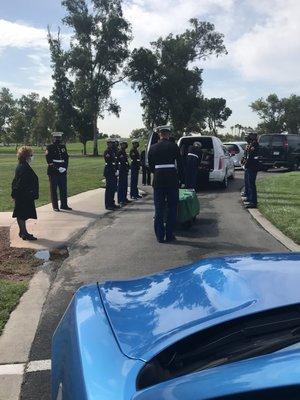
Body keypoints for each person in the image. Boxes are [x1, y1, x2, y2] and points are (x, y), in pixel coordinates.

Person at [148, 126, 183, 243]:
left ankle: (159, 236)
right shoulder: (174, 146)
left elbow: (150, 166)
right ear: (168, 134)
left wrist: (157, 172)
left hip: (158, 180)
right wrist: (181, 179)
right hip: (172, 179)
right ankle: (169, 234)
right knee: (172, 208)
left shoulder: (152, 148)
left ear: (159, 134)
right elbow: (180, 163)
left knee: (159, 208)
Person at [11, 146, 39, 241]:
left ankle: (23, 231)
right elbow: (19, 183)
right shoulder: (23, 167)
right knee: (21, 214)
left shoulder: (23, 165)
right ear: (26, 156)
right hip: (23, 195)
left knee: (23, 214)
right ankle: (24, 233)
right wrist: (17, 194)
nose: (32, 157)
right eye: (31, 155)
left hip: (24, 194)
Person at [46, 132, 72, 212]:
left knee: (63, 188)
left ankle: (64, 205)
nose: (58, 139)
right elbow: (49, 160)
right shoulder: (49, 147)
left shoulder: (63, 146)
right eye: (56, 138)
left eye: (59, 138)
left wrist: (65, 168)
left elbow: (66, 158)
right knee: (54, 189)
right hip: (53, 171)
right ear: (53, 138)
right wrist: (57, 168)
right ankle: (55, 206)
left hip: (63, 170)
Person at [242, 132, 259, 209]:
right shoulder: (251, 144)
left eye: (249, 136)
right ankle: (249, 198)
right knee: (249, 183)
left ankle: (253, 202)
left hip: (252, 167)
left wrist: (246, 162)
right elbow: (247, 155)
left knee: (251, 184)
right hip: (249, 166)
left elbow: (251, 156)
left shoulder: (255, 145)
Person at [104, 138, 119, 210]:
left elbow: (115, 162)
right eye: (111, 143)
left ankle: (112, 203)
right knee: (109, 188)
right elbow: (109, 162)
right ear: (108, 143)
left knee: (113, 188)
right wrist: (114, 170)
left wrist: (116, 170)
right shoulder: (107, 151)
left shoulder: (112, 151)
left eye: (113, 143)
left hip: (113, 171)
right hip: (109, 171)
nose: (112, 144)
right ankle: (108, 204)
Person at [117, 139, 131, 206]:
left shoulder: (124, 152)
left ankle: (124, 198)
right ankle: (121, 200)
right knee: (121, 185)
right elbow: (120, 161)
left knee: (125, 185)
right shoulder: (120, 152)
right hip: (121, 170)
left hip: (124, 170)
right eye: (122, 144)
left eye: (124, 144)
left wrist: (128, 167)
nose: (124, 145)